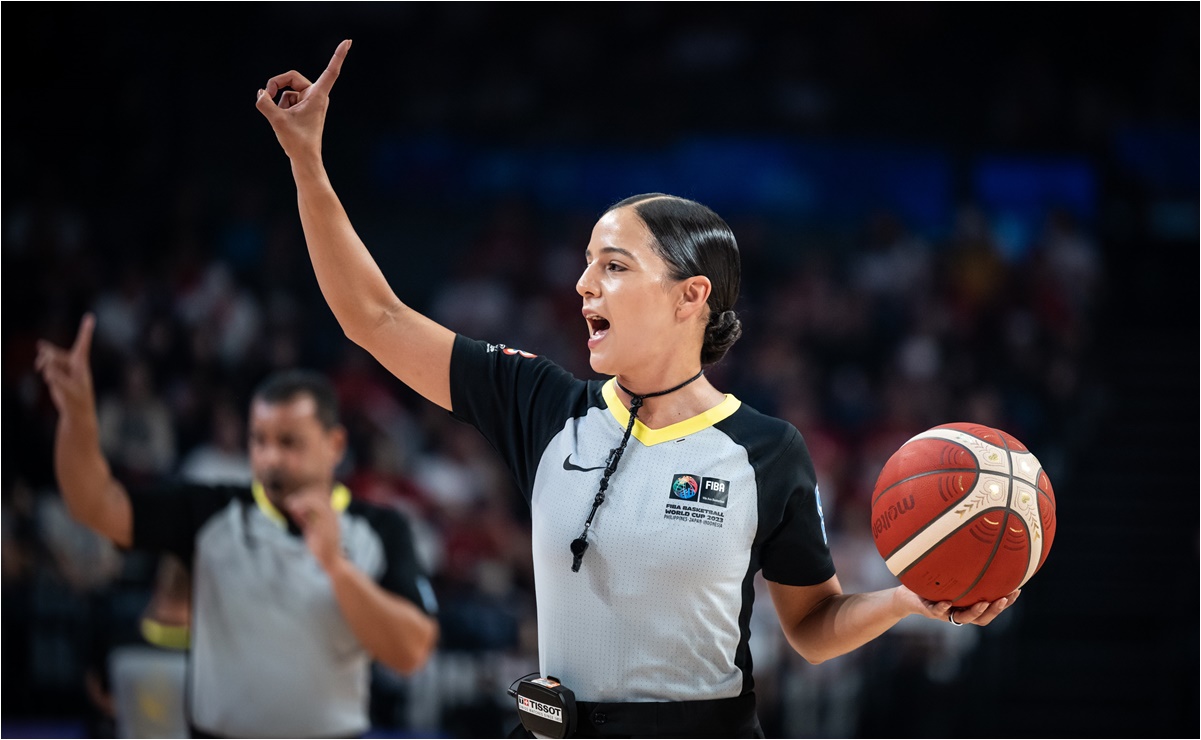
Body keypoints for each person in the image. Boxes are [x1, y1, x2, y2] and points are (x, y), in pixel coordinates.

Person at [254, 40, 1019, 739]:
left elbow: (812, 627)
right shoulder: (542, 405)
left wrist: (905, 600)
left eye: (613, 265)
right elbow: (373, 317)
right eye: (587, 262)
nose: (584, 283)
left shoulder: (766, 450)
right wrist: (307, 162)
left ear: (690, 296)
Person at [35, 317, 440, 739]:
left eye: (289, 442)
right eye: (259, 440)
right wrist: (78, 418)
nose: (270, 458)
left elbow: (411, 652)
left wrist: (337, 569)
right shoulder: (209, 510)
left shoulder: (379, 528)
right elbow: (94, 506)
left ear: (335, 444)